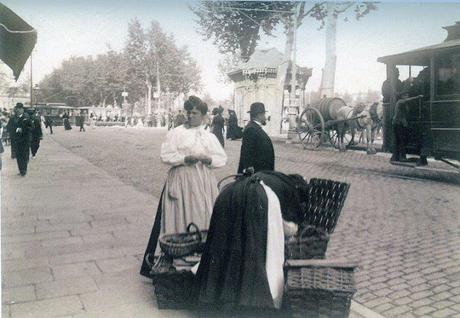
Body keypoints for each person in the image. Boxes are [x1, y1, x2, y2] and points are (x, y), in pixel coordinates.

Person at [194, 170, 308, 315]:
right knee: (251, 251)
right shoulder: (290, 191)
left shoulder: (273, 177)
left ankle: (217, 294)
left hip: (229, 192)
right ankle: (246, 299)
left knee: (227, 245)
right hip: (253, 197)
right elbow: (288, 227)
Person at [140, 95, 227, 278]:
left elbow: (222, 159)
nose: (190, 116)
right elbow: (165, 155)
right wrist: (183, 159)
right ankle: (176, 262)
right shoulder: (176, 133)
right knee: (180, 215)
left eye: (195, 113)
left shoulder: (209, 136)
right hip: (181, 179)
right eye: (188, 112)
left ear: (203, 115)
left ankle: (200, 261)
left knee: (204, 214)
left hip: (203, 181)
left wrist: (208, 159)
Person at [238, 102, 274, 174]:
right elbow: (246, 150)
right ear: (259, 115)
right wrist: (248, 167)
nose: (265, 117)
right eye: (264, 114)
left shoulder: (255, 127)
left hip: (262, 170)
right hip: (256, 172)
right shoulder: (251, 129)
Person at [391, 93, 423, 162]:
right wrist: (417, 96)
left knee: (400, 140)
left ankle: (396, 157)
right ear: (402, 96)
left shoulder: (404, 104)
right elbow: (406, 101)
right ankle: (401, 157)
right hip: (398, 124)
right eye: (406, 95)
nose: (407, 96)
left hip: (399, 123)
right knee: (401, 140)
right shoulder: (400, 102)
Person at [6, 103, 32, 176]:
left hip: (25, 140)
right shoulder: (12, 118)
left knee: (24, 155)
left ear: (23, 109)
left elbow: (31, 127)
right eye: (17, 108)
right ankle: (21, 170)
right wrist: (16, 129)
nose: (18, 110)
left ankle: (24, 171)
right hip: (16, 140)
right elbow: (8, 128)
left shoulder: (27, 117)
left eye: (20, 108)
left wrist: (23, 130)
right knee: (18, 156)